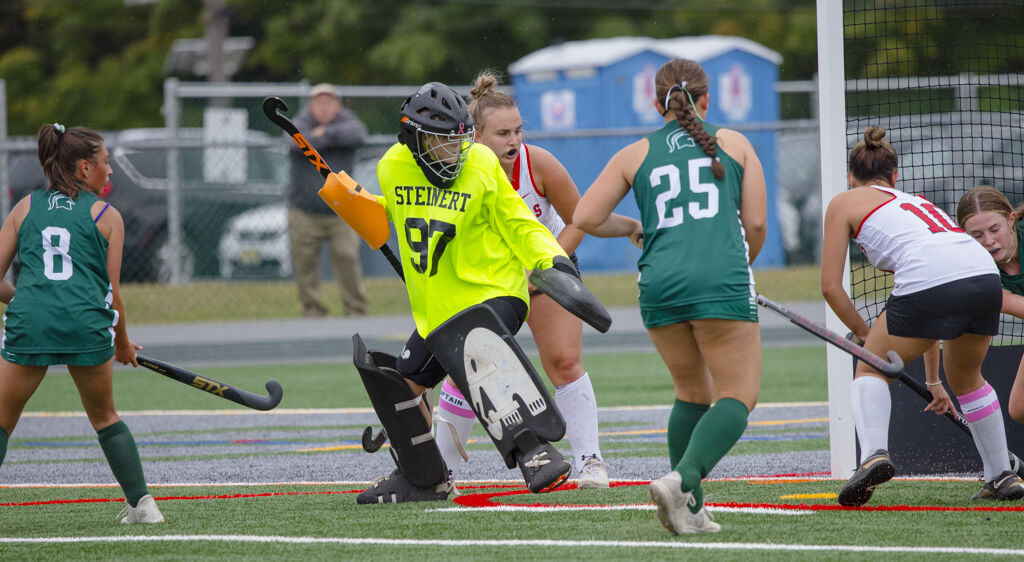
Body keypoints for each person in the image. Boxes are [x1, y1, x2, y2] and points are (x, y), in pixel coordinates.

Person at [355, 81, 589, 503]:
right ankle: (423, 479)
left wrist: (549, 258)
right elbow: (390, 211)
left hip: (496, 290)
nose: (455, 150)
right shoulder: (392, 166)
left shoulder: (479, 162)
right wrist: (353, 202)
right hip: (440, 307)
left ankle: (534, 450)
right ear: (416, 138)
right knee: (401, 388)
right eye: (443, 141)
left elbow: (520, 222)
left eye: (460, 139)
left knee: (474, 345)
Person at [573, 58, 766, 535]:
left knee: (691, 392)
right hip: (720, 279)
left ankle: (691, 510)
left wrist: (632, 228)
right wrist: (741, 265)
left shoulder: (634, 153)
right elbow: (757, 225)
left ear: (655, 102)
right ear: (706, 99)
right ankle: (683, 480)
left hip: (658, 284)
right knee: (739, 393)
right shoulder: (736, 143)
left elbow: (585, 216)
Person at [820, 127, 1023, 505]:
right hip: (980, 273)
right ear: (895, 176)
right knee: (967, 379)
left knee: (870, 371)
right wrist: (933, 379)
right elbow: (932, 313)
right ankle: (1001, 474)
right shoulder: (916, 205)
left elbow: (831, 287)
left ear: (850, 178)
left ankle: (874, 455)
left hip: (932, 275)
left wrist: (866, 337)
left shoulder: (844, 202)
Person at [431, 70, 609, 489]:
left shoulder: (538, 163)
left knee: (564, 362)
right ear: (474, 137)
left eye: (518, 131)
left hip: (541, 278)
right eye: (502, 134)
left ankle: (590, 462)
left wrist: (545, 267)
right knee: (465, 371)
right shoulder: (453, 171)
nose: (513, 141)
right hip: (487, 285)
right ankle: (441, 473)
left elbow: (578, 219)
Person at [0, 123, 164, 523]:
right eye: (107, 163)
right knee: (105, 417)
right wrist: (122, 344)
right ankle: (143, 506)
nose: (112, 171)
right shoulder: (109, 216)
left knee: (2, 421)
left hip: (31, 322)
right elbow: (114, 295)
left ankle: (142, 506)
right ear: (85, 168)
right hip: (87, 325)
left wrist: (26, 301)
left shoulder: (24, 207)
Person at [286, 82, 369, 317]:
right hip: (303, 210)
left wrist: (323, 136)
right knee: (304, 264)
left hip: (342, 210)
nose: (323, 107)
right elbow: (293, 142)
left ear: (337, 105)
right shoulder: (300, 121)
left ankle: (356, 309)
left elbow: (358, 135)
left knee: (347, 256)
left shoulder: (348, 122)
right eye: (318, 102)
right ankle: (312, 310)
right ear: (311, 105)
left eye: (328, 102)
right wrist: (326, 141)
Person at [956, 185, 1024, 424]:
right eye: (977, 235)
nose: (989, 241)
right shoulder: (975, 269)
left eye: (995, 229)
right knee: (1020, 408)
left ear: (1011, 220)